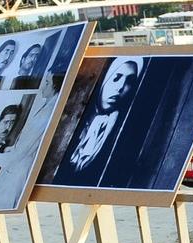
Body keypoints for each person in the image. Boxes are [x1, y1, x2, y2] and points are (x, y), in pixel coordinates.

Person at [54, 56, 142, 186]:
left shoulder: (123, 130)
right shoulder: (75, 115)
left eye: (129, 81)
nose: (120, 87)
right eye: (116, 77)